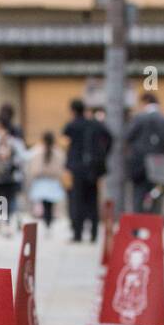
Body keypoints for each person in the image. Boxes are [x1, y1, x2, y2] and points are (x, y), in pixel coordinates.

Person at [62, 98, 108, 242]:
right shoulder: (94, 124)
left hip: (76, 168)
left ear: (73, 110)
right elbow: (109, 137)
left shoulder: (71, 125)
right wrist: (102, 156)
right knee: (93, 200)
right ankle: (94, 233)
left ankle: (78, 234)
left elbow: (65, 142)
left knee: (77, 201)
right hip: (92, 168)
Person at [125, 92, 164, 213]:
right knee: (156, 195)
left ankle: (135, 229)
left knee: (138, 196)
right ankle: (154, 228)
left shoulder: (139, 118)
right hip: (159, 164)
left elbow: (128, 137)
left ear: (144, 102)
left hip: (139, 163)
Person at [25, 131, 64, 230]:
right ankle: (48, 221)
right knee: (49, 205)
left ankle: (46, 221)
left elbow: (31, 166)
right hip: (52, 181)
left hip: (41, 181)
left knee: (43, 204)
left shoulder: (37, 151)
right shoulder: (58, 152)